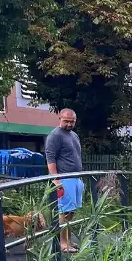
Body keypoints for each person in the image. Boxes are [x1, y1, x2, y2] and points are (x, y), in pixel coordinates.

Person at [44, 108, 83, 253]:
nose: (69, 124)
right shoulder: (55, 136)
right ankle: (63, 243)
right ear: (60, 119)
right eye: (66, 121)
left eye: (72, 121)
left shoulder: (74, 135)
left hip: (76, 178)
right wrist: (56, 179)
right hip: (64, 178)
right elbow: (50, 158)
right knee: (64, 212)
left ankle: (68, 241)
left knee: (71, 212)